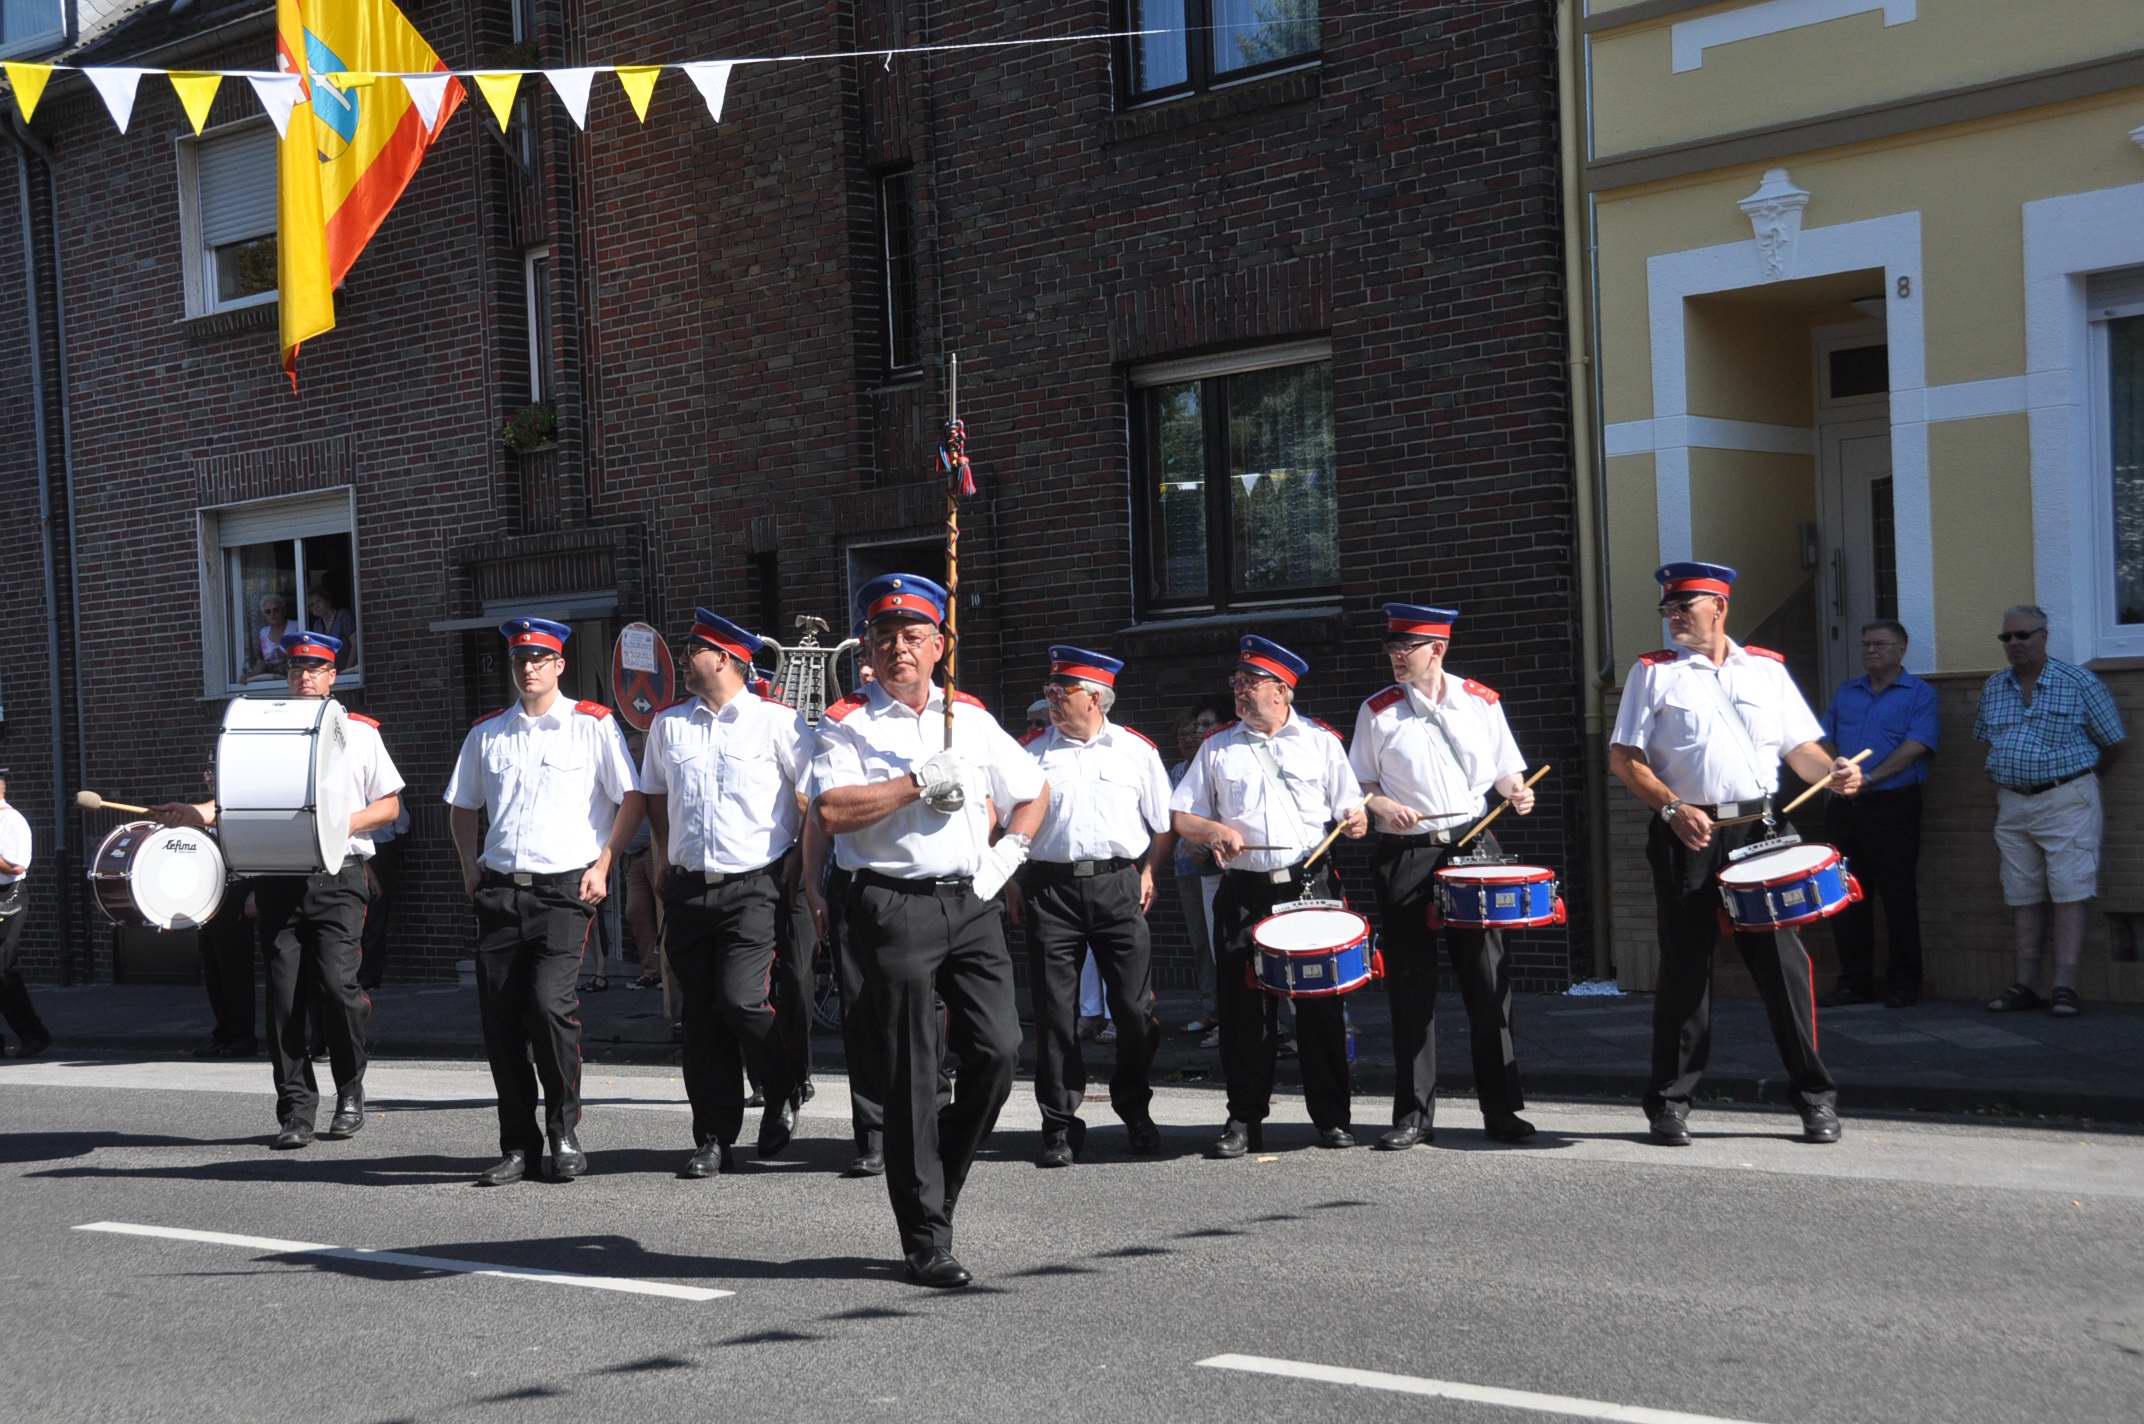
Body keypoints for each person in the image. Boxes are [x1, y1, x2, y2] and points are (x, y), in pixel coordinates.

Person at [812, 573, 1046, 1288]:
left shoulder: (968, 717)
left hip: (970, 899)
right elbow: (832, 811)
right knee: (913, 1073)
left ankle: (933, 1170)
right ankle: (926, 1237)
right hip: (893, 904)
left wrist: (1011, 852)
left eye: (913, 637)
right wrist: (916, 783)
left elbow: (1033, 790)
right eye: (885, 638)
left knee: (1000, 1049)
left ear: (939, 646)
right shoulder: (846, 722)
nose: (899, 650)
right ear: (867, 650)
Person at [1607, 562, 1863, 1147]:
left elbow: (1800, 748)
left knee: (1783, 967)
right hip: (1688, 832)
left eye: (1684, 607)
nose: (1673, 617)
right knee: (1686, 968)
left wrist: (1835, 771)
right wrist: (1672, 807)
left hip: (1761, 832)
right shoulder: (1653, 673)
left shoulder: (1767, 669)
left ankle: (1815, 1100)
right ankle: (1670, 1104)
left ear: (1719, 607)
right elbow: (1624, 757)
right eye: (1668, 609)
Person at [155, 632, 402, 1148]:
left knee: (338, 987)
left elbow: (388, 806)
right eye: (295, 669)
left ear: (333, 676)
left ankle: (350, 1090)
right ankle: (295, 1110)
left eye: (314, 669)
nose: (303, 677)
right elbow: (237, 801)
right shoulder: (262, 730)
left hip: (338, 875)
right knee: (285, 998)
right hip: (277, 877)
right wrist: (195, 813)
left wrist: (336, 825)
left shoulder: (359, 733)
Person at [446, 617, 644, 1186]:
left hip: (563, 892)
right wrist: (468, 864)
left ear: (559, 665)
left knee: (549, 1007)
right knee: (501, 1021)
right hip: (501, 889)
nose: (528, 668)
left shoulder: (591, 725)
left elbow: (630, 798)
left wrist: (605, 863)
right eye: (520, 659)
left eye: (539, 659)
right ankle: (518, 1145)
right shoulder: (488, 733)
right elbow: (461, 804)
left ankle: (564, 1130)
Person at [1170, 635, 1369, 1157]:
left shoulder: (1321, 741)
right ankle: (1243, 1119)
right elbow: (1182, 816)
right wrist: (1214, 830)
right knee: (1242, 1011)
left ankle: (1332, 1118)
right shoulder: (1217, 746)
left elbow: (1351, 809)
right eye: (1236, 682)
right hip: (1244, 890)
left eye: (1250, 683)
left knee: (1320, 1008)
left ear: (1281, 690)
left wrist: (1356, 821)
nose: (1239, 691)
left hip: (1309, 886)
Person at [1350, 603, 1538, 1150]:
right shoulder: (1378, 711)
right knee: (1412, 985)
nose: (1396, 657)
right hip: (1407, 852)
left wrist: (1518, 792)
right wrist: (1382, 806)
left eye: (1405, 648)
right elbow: (1359, 782)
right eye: (1391, 648)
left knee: (1488, 980)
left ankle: (1502, 1110)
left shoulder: (1480, 701)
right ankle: (1413, 1114)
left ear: (1437, 649)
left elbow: (1506, 770)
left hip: (1473, 846)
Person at [640, 609, 813, 1179]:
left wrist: (800, 862)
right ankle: (714, 1137)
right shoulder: (669, 725)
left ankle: (783, 1081)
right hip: (690, 888)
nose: (683, 658)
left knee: (742, 1000)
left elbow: (812, 796)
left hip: (754, 885)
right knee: (702, 1019)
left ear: (725, 659)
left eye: (692, 649)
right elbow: (655, 795)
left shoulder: (778, 723)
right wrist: (663, 856)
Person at [1003, 646, 1172, 1166]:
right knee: (1056, 1013)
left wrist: (1149, 871)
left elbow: (1163, 824)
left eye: (1063, 692)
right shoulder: (1030, 753)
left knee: (1134, 1010)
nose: (1052, 700)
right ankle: (1058, 1124)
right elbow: (1002, 819)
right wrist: (1012, 881)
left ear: (1096, 699)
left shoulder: (1136, 751)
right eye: (1049, 691)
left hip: (1118, 884)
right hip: (1050, 889)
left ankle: (1135, 1109)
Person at [1975, 605, 2126, 1018]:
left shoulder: (2078, 682)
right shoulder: (1994, 686)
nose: (2014, 643)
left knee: (2069, 892)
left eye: (2023, 635)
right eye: (2006, 637)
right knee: (2021, 893)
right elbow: (1987, 740)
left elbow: (2114, 742)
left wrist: (2076, 781)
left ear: (2044, 635)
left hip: (2067, 798)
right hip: (2012, 801)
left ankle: (2064, 987)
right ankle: (2026, 984)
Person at [1818, 620, 1940, 1008]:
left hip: (1894, 804)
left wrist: (1868, 777)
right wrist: (1836, 768)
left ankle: (1904, 983)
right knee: (1846, 893)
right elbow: (1824, 737)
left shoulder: (1919, 694)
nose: (1871, 650)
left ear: (1901, 650)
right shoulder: (1847, 692)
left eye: (1880, 644)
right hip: (1845, 805)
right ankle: (1854, 982)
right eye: (1866, 644)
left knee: (1897, 893)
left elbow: (1917, 745)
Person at [1169, 697, 1230, 1045]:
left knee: (1223, 943)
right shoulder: (1181, 771)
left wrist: (1204, 840)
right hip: (1187, 866)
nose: (1194, 735)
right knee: (1202, 942)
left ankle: (1232, 1015)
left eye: (1203, 726)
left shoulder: (1224, 760)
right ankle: (1213, 1008)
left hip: (1218, 864)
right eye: (1190, 730)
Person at [0, 768, 51, 1060]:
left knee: (3, 969)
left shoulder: (12, 821)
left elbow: (17, 866)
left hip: (8, 897)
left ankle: (34, 1035)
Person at [357, 802, 409, 992]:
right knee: (374, 916)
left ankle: (368, 974)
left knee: (373, 916)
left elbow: (401, 821)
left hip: (376, 849)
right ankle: (367, 974)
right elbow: (402, 823)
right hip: (374, 849)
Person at [246, 596, 292, 679]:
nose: (272, 614)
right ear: (264, 615)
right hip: (271, 680)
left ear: (283, 610)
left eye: (276, 610)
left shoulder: (296, 626)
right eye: (268, 612)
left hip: (292, 676)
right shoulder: (263, 632)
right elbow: (261, 661)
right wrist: (248, 676)